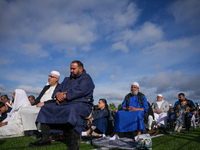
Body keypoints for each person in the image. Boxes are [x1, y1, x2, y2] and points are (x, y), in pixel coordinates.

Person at [29, 60, 95, 150]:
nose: (71, 70)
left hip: (82, 104)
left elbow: (81, 91)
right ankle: (45, 140)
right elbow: (57, 89)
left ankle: (74, 145)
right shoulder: (66, 79)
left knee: (73, 110)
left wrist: (64, 96)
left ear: (80, 69)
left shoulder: (86, 78)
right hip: (65, 103)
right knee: (45, 108)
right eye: (70, 69)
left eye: (73, 69)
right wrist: (57, 94)